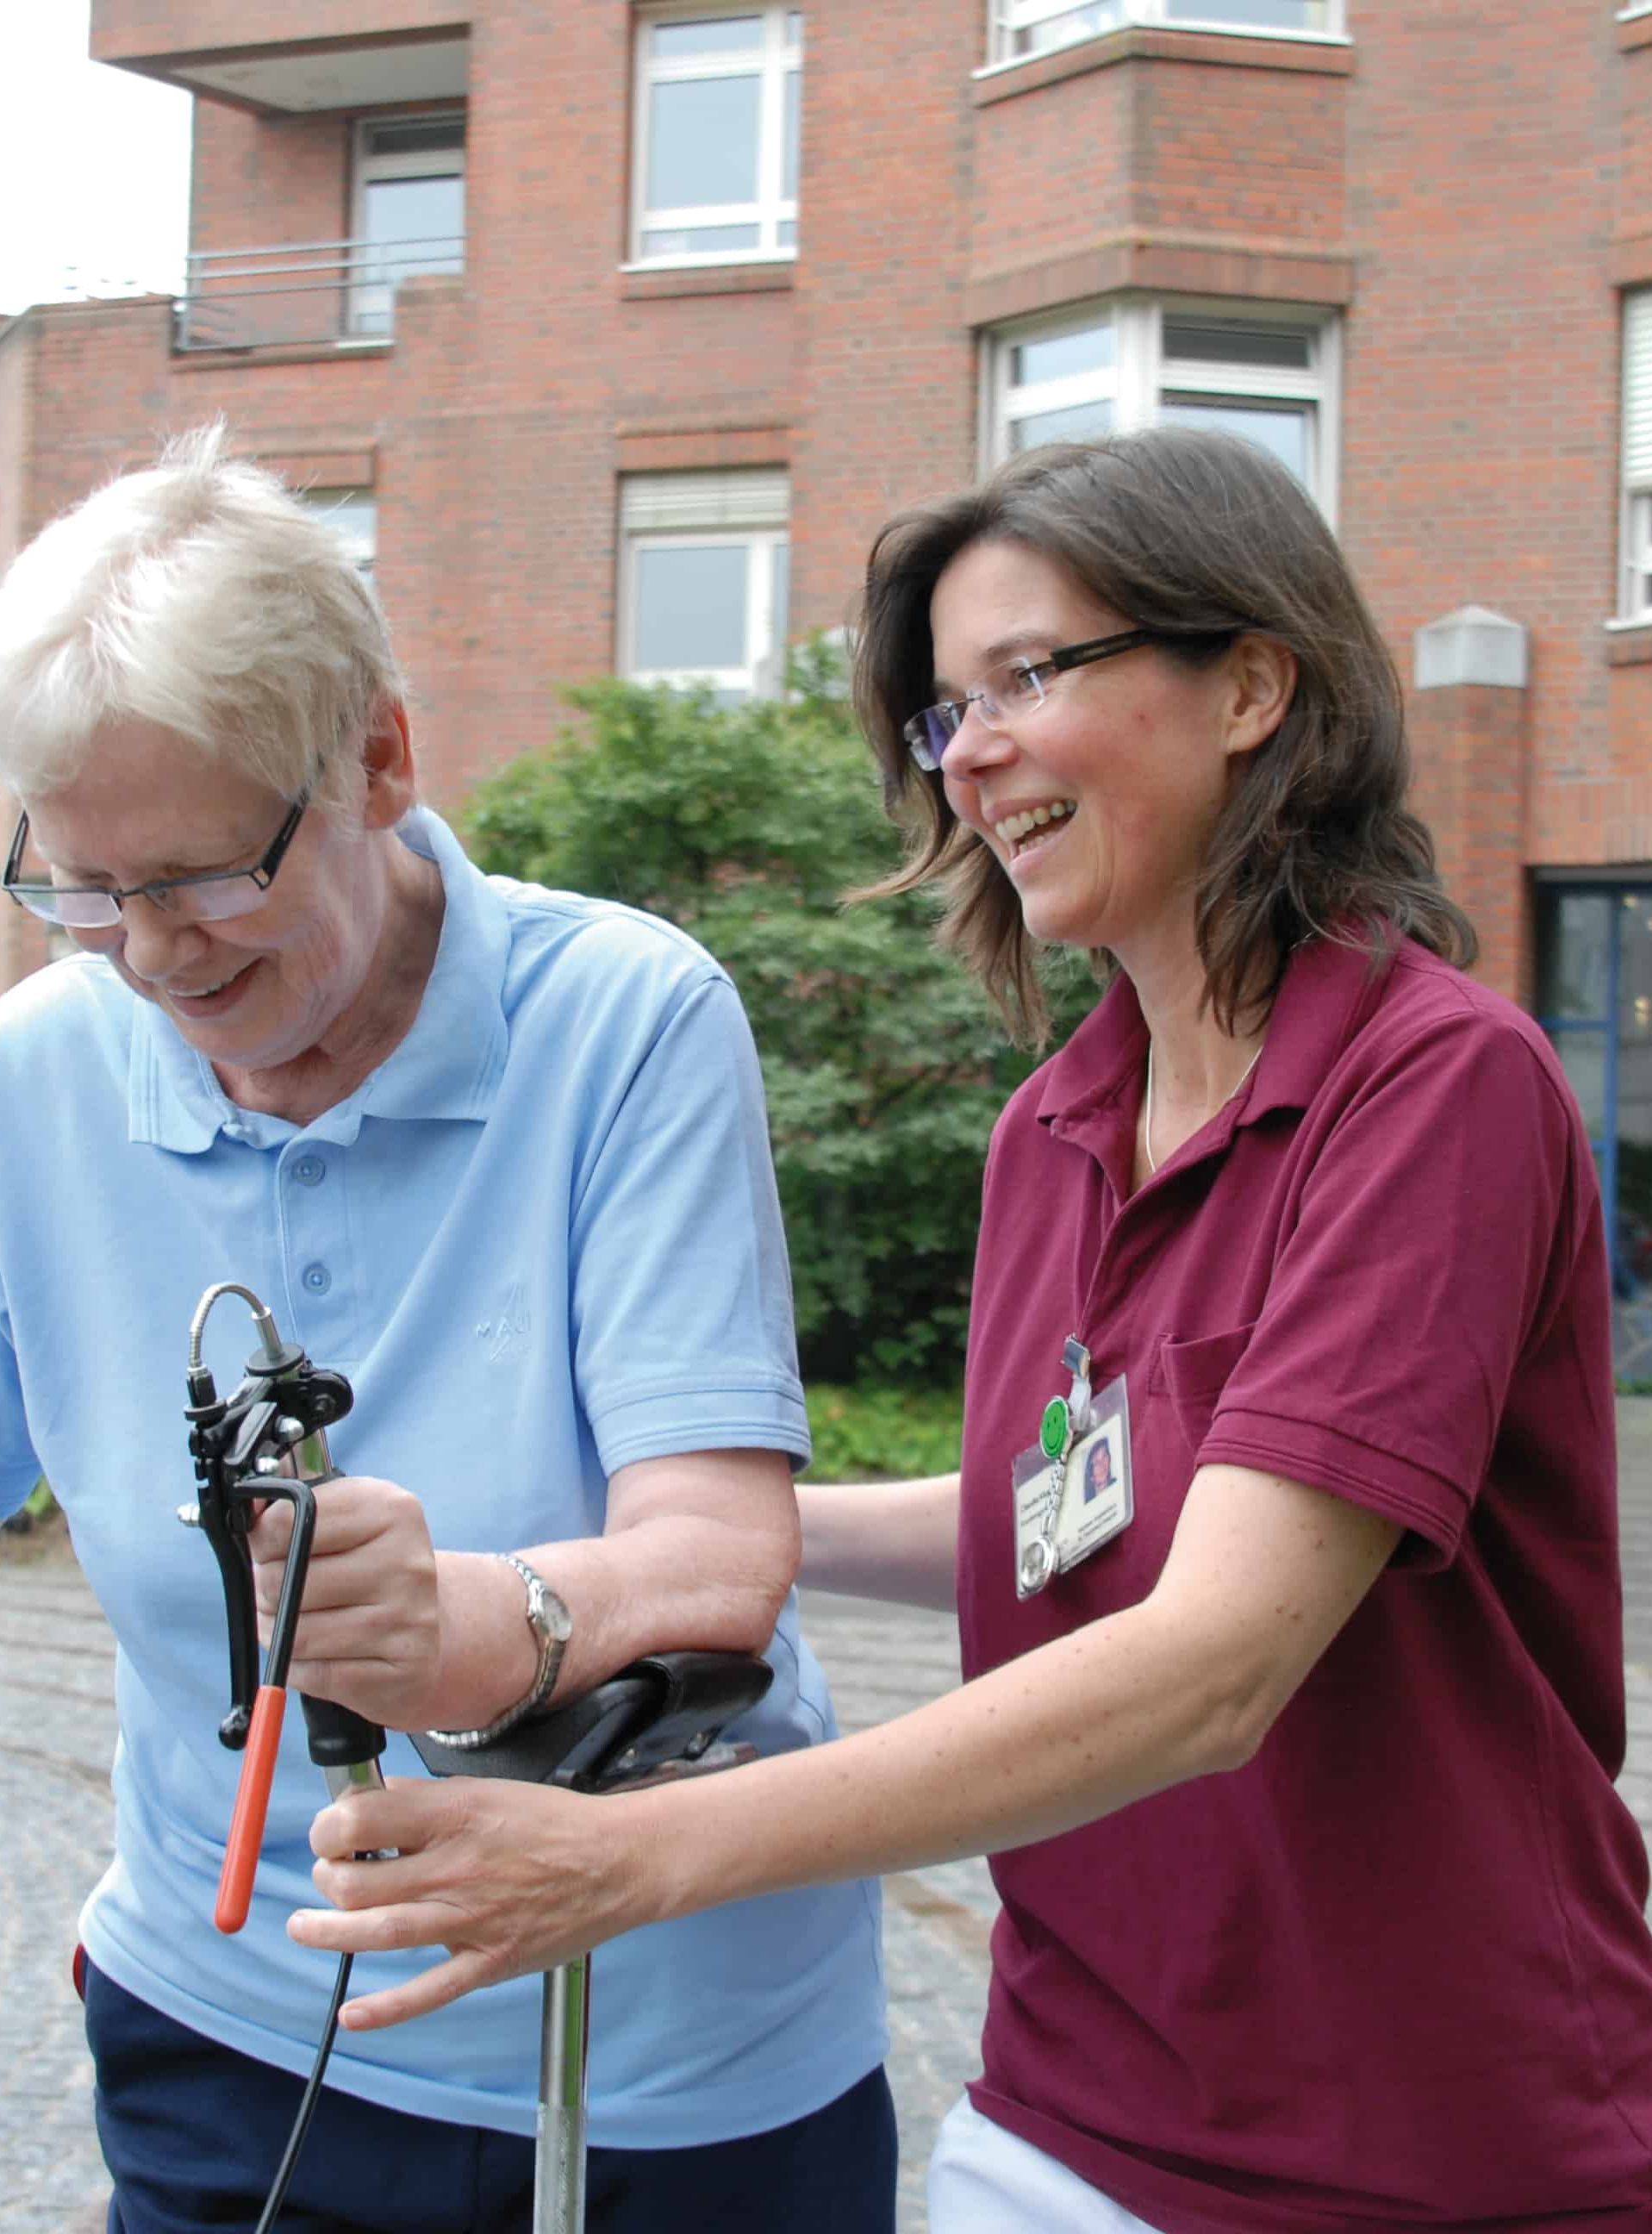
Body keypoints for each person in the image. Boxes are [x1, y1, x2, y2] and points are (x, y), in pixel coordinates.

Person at [0, 428, 895, 2232]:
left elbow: (713, 1553)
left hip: (648, 2054)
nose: (146, 956)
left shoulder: (626, 1022)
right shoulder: (28, 1077)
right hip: (224, 2034)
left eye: (199, 877)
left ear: (372, 758)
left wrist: (463, 1622)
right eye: (77, 888)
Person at [291, 427, 1652, 2231]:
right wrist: (636, 1553)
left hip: (1412, 2143)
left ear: (1249, 682)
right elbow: (1058, 1517)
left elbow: (1211, 1659)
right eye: (943, 711)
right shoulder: (1057, 1127)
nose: (971, 753)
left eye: (1026, 675)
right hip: (1065, 2101)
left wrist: (628, 1857)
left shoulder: (1432, 1087)